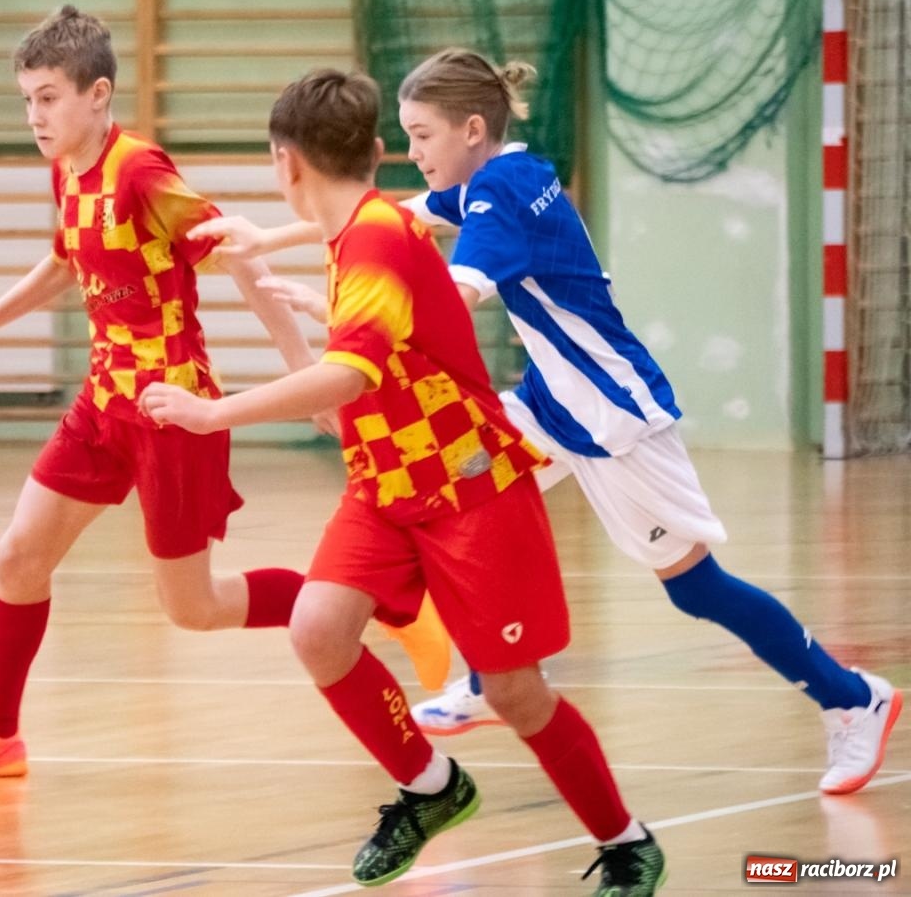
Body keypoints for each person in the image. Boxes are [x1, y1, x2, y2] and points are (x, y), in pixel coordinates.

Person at [192, 47, 902, 799]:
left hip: (613, 414)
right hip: (551, 402)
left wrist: (332, 311)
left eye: (422, 135)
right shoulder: (500, 177)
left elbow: (444, 299)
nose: (411, 152)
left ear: (471, 128)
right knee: (458, 493)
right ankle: (484, 671)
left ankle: (853, 696)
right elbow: (390, 219)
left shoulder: (498, 195)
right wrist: (265, 240)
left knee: (697, 587)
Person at [141, 68, 665, 894]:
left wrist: (213, 413)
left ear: (284, 163)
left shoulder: (380, 238)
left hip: (471, 492)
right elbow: (359, 373)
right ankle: (431, 787)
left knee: (519, 695)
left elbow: (348, 374)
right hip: (385, 488)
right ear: (378, 150)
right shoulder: (352, 236)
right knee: (319, 628)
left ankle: (627, 840)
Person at [0, 6, 354, 780]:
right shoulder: (65, 169)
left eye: (48, 97)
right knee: (18, 558)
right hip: (103, 403)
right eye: (26, 99)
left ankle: (352, 599)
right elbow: (62, 260)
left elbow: (240, 257)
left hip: (173, 411)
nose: (34, 115)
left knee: (195, 607)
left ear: (97, 94)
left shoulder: (142, 172)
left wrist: (300, 370)